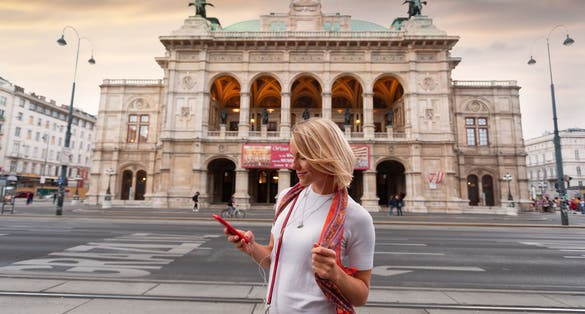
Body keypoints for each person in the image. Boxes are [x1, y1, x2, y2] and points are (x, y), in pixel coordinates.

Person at [224, 118, 375, 313]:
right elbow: (273, 258)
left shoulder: (357, 217)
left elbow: (361, 296)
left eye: (302, 157)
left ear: (326, 155)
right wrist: (251, 247)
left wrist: (336, 274)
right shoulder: (286, 199)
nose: (293, 165)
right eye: (293, 156)